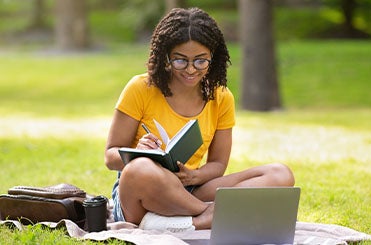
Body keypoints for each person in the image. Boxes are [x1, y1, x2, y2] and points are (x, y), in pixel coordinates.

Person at [105, 7, 295, 232]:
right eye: (180, 61)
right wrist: (137, 151)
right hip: (141, 195)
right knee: (140, 169)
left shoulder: (221, 97)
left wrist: (194, 175)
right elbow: (110, 156)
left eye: (200, 61)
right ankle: (213, 214)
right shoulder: (140, 88)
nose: (190, 69)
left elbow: (218, 165)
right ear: (166, 56)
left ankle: (190, 222)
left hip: (189, 190)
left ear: (212, 59)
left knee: (280, 174)